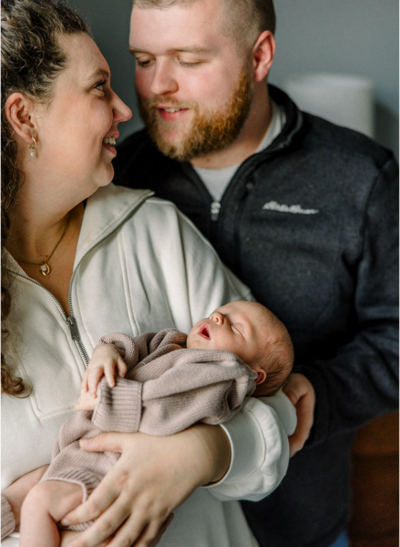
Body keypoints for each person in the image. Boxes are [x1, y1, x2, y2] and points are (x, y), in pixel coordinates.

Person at [1, 2, 297, 547]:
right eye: (97, 88)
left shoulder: (156, 230)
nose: (123, 108)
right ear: (24, 118)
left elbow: (276, 402)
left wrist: (206, 453)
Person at [113, 0, 399, 546]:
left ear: (260, 56)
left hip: (300, 525)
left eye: (188, 60)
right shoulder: (118, 176)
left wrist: (321, 388)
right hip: (170, 533)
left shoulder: (360, 177)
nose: (157, 86)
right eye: (144, 59)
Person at [19, 300, 294, 547]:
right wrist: (106, 352)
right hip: (79, 455)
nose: (219, 317)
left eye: (237, 328)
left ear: (255, 375)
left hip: (112, 474)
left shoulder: (220, 378)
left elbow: (167, 412)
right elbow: (132, 348)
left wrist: (111, 402)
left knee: (37, 503)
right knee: (22, 493)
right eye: (222, 312)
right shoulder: (172, 342)